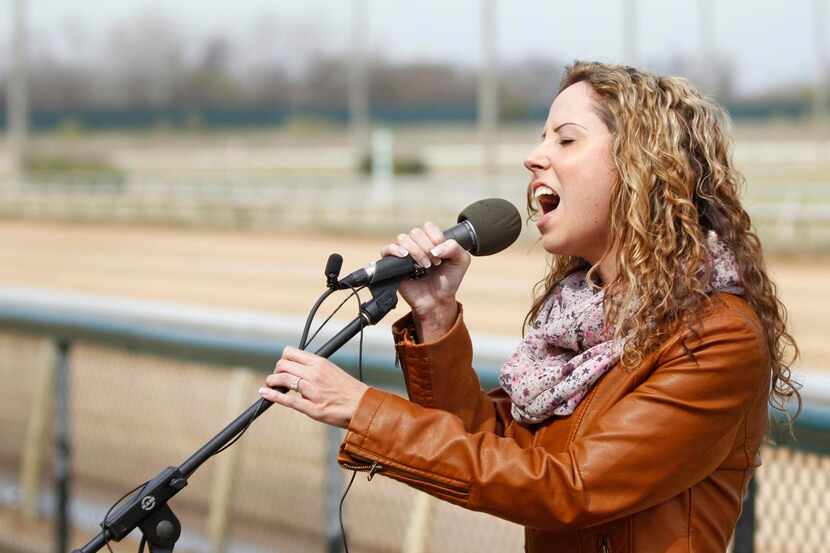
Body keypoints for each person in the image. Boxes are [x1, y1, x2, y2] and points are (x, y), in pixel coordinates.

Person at [258, 61, 801, 552]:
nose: (533, 156)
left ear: (641, 168)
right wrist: (436, 315)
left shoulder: (717, 336)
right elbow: (491, 446)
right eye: (542, 137)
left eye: (566, 140)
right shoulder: (580, 323)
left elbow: (568, 486)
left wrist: (364, 410)